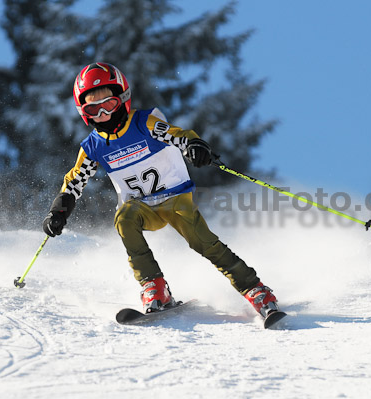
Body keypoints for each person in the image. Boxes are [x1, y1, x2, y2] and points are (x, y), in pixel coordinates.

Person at [43, 62, 280, 317]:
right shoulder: (93, 146)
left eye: (108, 104)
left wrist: (194, 146)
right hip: (143, 207)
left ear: (122, 99)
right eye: (94, 108)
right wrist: (59, 211)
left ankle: (254, 289)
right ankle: (154, 286)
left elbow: (177, 135)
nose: (103, 113)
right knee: (124, 218)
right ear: (84, 112)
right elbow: (74, 182)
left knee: (202, 242)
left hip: (175, 198)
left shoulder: (143, 123)